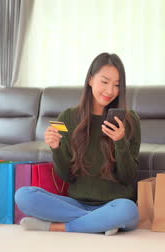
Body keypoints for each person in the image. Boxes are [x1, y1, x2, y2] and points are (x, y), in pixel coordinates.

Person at [14, 52, 141, 235]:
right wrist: (56, 149)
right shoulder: (68, 117)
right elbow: (66, 176)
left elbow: (127, 177)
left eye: (117, 85)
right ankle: (100, 222)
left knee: (128, 210)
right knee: (24, 196)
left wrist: (120, 142)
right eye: (104, 82)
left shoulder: (130, 120)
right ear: (90, 80)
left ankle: (58, 227)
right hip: (77, 202)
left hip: (116, 203)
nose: (110, 91)